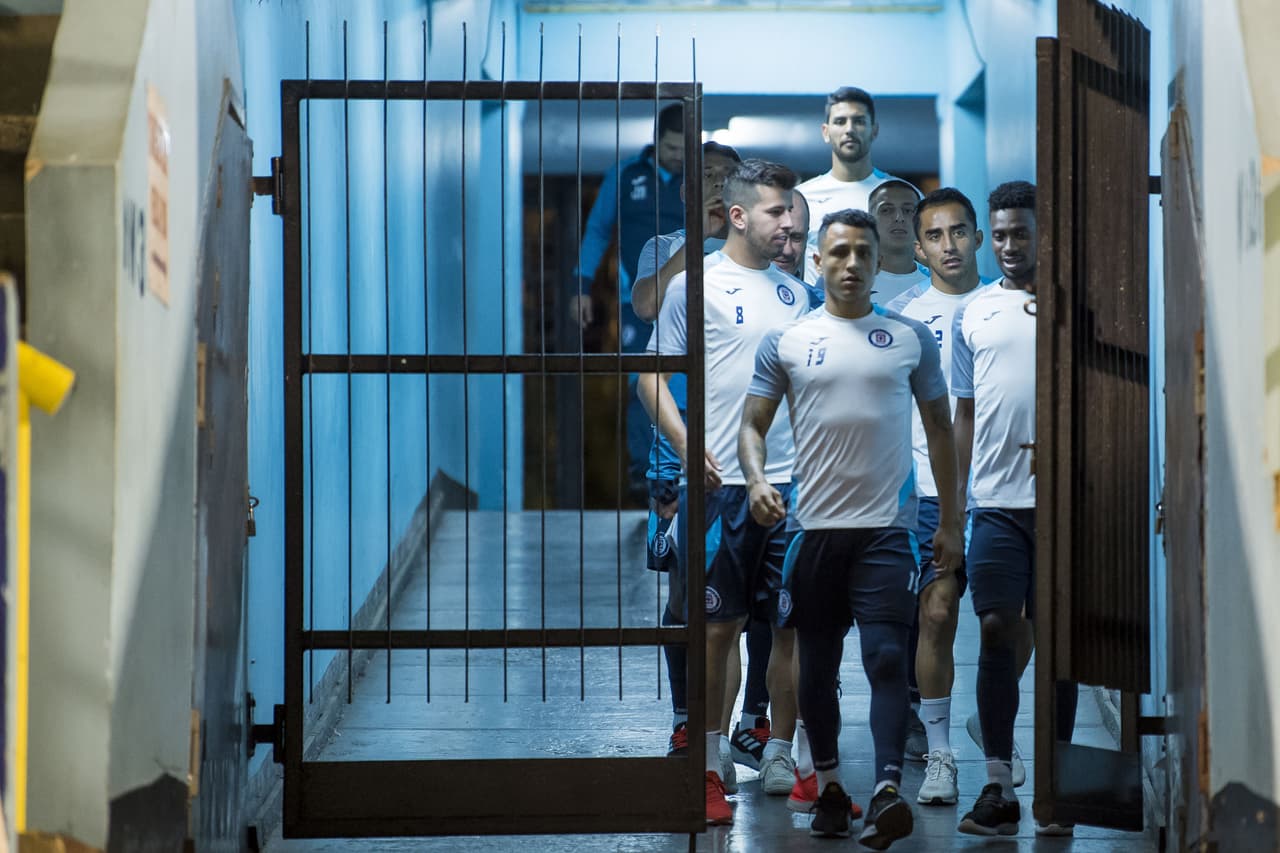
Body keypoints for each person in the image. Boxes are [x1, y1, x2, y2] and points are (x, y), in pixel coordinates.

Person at [741, 208, 964, 847]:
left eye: (862, 254)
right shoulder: (786, 341)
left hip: (886, 530)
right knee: (816, 663)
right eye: (838, 253)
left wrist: (950, 519)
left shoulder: (908, 337)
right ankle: (834, 790)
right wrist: (757, 480)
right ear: (817, 260)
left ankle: (888, 787)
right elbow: (752, 426)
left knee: (888, 656)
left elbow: (942, 431)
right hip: (812, 530)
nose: (851, 265)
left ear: (876, 262)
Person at [639, 159, 808, 825]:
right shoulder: (696, 286)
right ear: (738, 215)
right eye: (775, 212)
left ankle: (783, 754)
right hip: (720, 489)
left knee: (791, 628)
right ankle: (708, 766)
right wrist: (686, 447)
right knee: (717, 631)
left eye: (791, 211)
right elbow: (649, 377)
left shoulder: (797, 291)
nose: (789, 222)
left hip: (793, 485)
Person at [952, 181, 1078, 837]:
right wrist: (956, 506)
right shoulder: (971, 313)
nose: (1006, 245)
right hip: (995, 504)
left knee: (1057, 642)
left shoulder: (1071, 306)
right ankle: (997, 784)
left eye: (1018, 233)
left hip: (1061, 504)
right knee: (998, 625)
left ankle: (1056, 790)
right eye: (998, 234)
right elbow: (964, 414)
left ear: (1041, 233)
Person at [884, 188, 990, 807]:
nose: (948, 246)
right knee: (936, 614)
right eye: (935, 236)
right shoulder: (903, 316)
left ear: (976, 236)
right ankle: (941, 754)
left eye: (959, 232)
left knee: (1010, 627)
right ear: (920, 249)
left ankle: (994, 721)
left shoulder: (1012, 304)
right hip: (928, 494)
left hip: (1003, 492)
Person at [572, 103, 685, 494]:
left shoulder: (701, 181)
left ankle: (682, 465)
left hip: (691, 301)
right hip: (636, 302)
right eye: (671, 148)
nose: (677, 156)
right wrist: (582, 287)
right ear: (656, 140)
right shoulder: (624, 176)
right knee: (642, 377)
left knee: (687, 378)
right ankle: (645, 470)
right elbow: (599, 231)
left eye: (684, 149)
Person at [796, 87, 900, 284]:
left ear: (874, 130)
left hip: (889, 311)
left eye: (859, 121)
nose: (849, 129)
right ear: (826, 132)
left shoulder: (901, 198)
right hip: (820, 312)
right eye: (840, 121)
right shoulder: (802, 198)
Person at [869, 180, 930, 305]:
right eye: (886, 210)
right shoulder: (848, 278)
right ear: (870, 220)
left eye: (908, 210)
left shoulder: (937, 283)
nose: (899, 218)